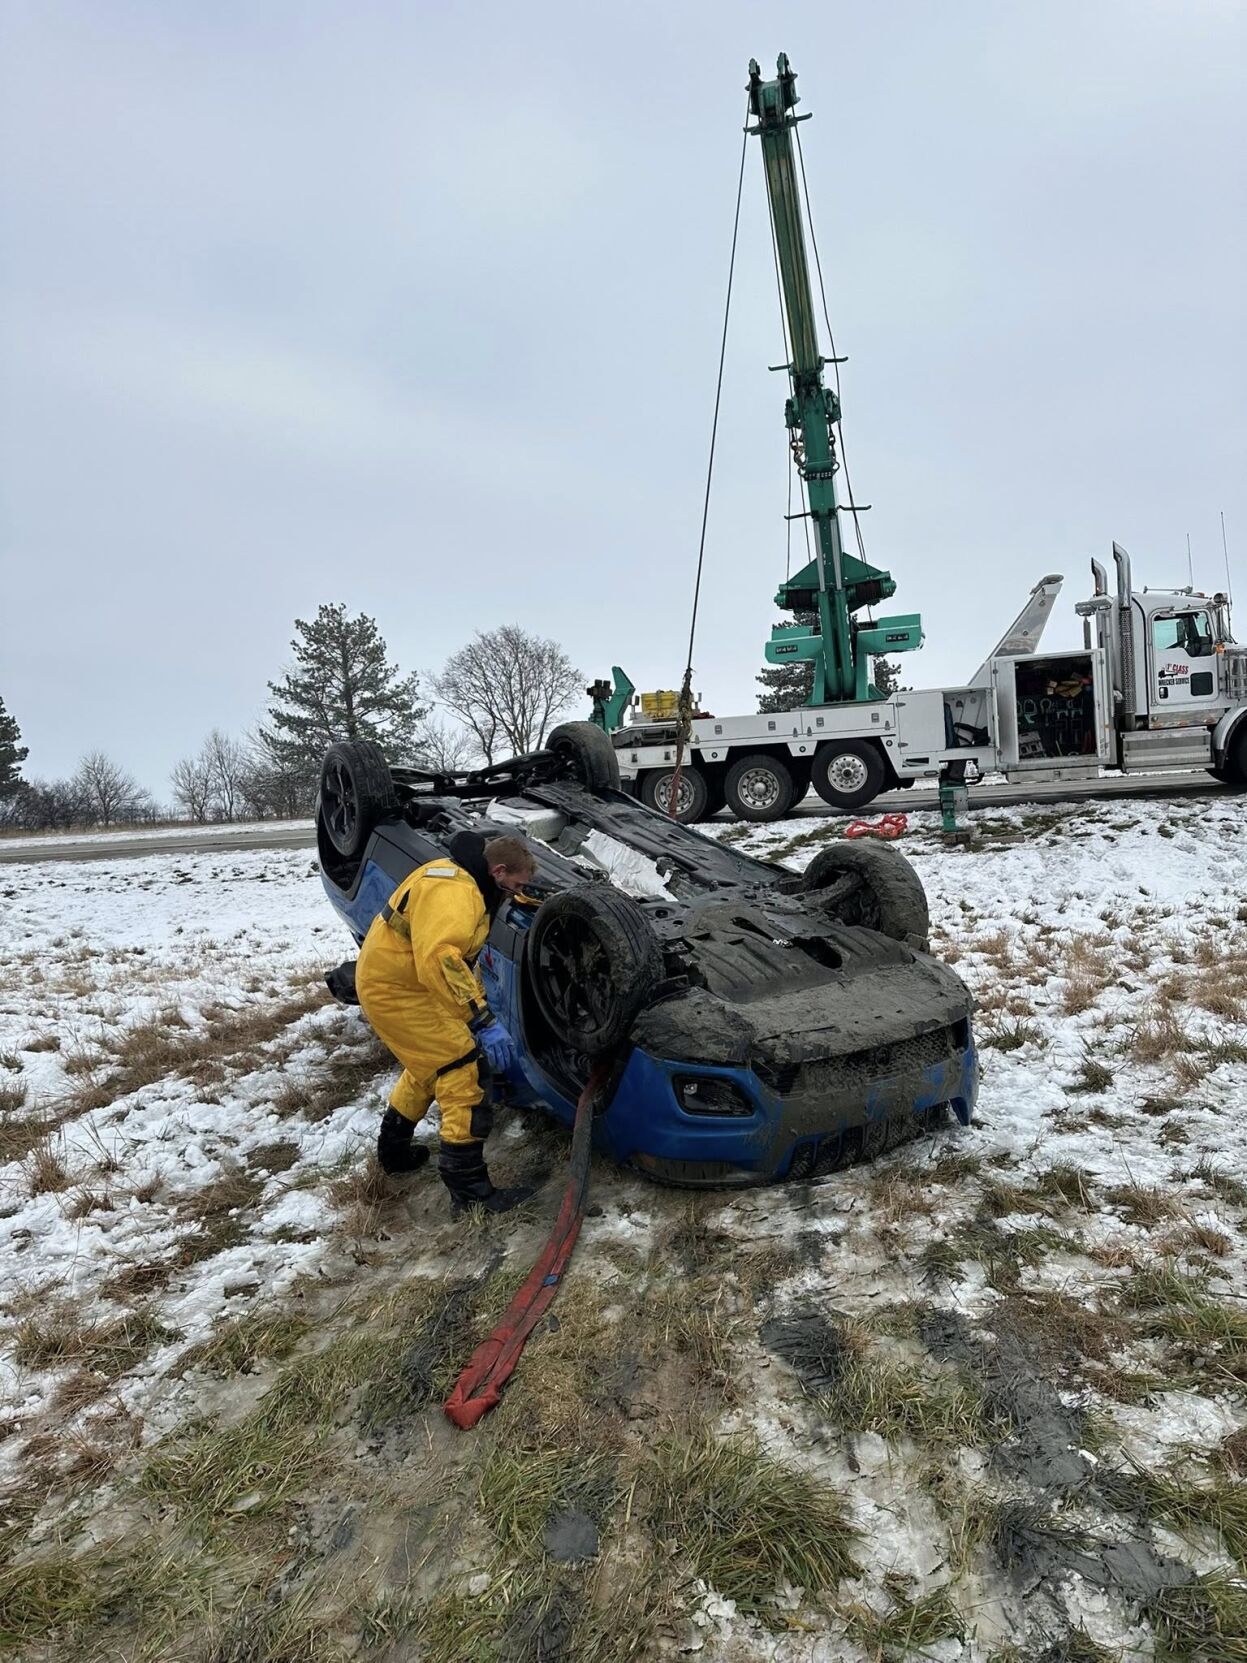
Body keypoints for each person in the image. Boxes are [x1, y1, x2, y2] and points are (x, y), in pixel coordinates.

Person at [355, 829, 537, 1212]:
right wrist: (481, 1019)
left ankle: (394, 1152)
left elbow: (449, 960)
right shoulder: (457, 894)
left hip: (404, 982)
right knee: (460, 1068)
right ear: (498, 870)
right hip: (400, 990)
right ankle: (471, 1194)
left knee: (430, 1065)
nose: (512, 895)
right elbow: (441, 959)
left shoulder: (454, 873)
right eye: (513, 887)